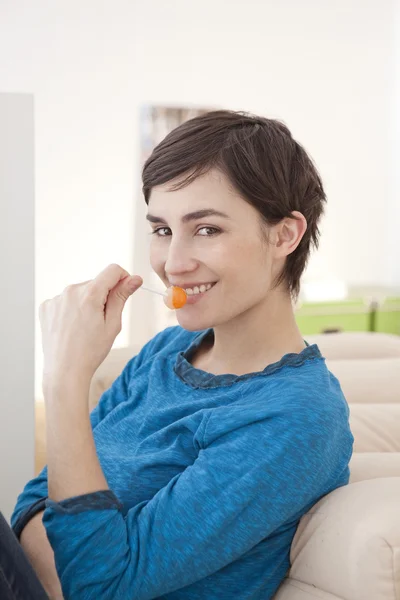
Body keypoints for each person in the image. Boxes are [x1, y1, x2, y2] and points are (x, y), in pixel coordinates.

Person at [4, 110, 354, 600]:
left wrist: (64, 378)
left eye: (207, 229)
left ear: (284, 235)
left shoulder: (296, 416)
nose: (173, 264)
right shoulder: (165, 352)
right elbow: (36, 498)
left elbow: (98, 587)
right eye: (162, 229)